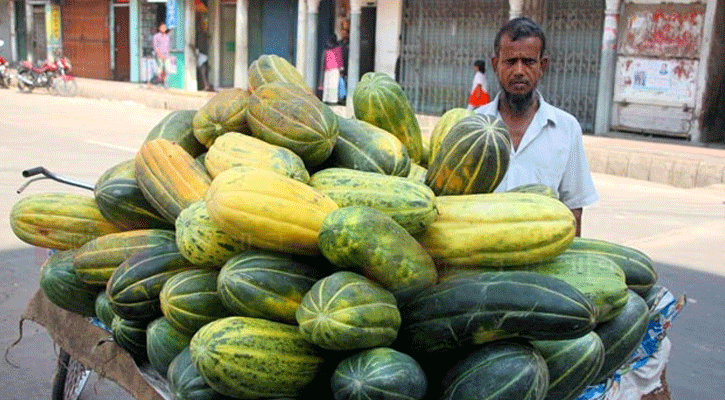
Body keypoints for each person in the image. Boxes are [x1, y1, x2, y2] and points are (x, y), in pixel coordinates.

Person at [475, 17, 598, 236]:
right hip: (482, 259)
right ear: (495, 65)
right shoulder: (473, 125)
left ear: (542, 66)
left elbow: (573, 213)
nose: (519, 70)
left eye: (529, 62)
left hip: (541, 262)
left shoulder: (566, 129)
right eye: (510, 61)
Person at [318, 37, 344, 105]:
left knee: (327, 85)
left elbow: (324, 62)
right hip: (335, 70)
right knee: (333, 86)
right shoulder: (338, 49)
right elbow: (340, 60)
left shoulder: (326, 50)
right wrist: (341, 70)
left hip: (328, 70)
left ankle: (326, 99)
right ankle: (332, 100)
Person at [152, 22, 171, 88]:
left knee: (167, 69)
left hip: (166, 55)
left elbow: (168, 47)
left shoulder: (167, 37)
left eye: (164, 27)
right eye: (162, 27)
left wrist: (167, 53)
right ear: (159, 28)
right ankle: (158, 82)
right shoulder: (156, 36)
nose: (163, 29)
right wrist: (160, 54)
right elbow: (155, 47)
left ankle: (165, 82)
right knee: (159, 69)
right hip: (159, 55)